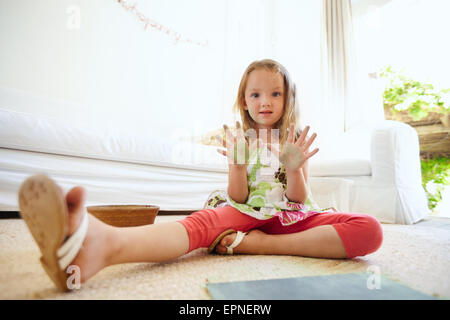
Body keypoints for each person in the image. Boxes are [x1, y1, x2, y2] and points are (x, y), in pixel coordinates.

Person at [18, 59, 383, 292]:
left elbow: (300, 200)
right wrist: (237, 166)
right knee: (201, 224)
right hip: (245, 214)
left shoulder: (293, 140)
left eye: (275, 93)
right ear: (244, 101)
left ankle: (258, 245)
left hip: (290, 218)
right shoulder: (242, 139)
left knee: (370, 230)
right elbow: (238, 198)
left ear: (288, 99)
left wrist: (293, 165)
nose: (265, 101)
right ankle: (102, 245)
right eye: (255, 94)